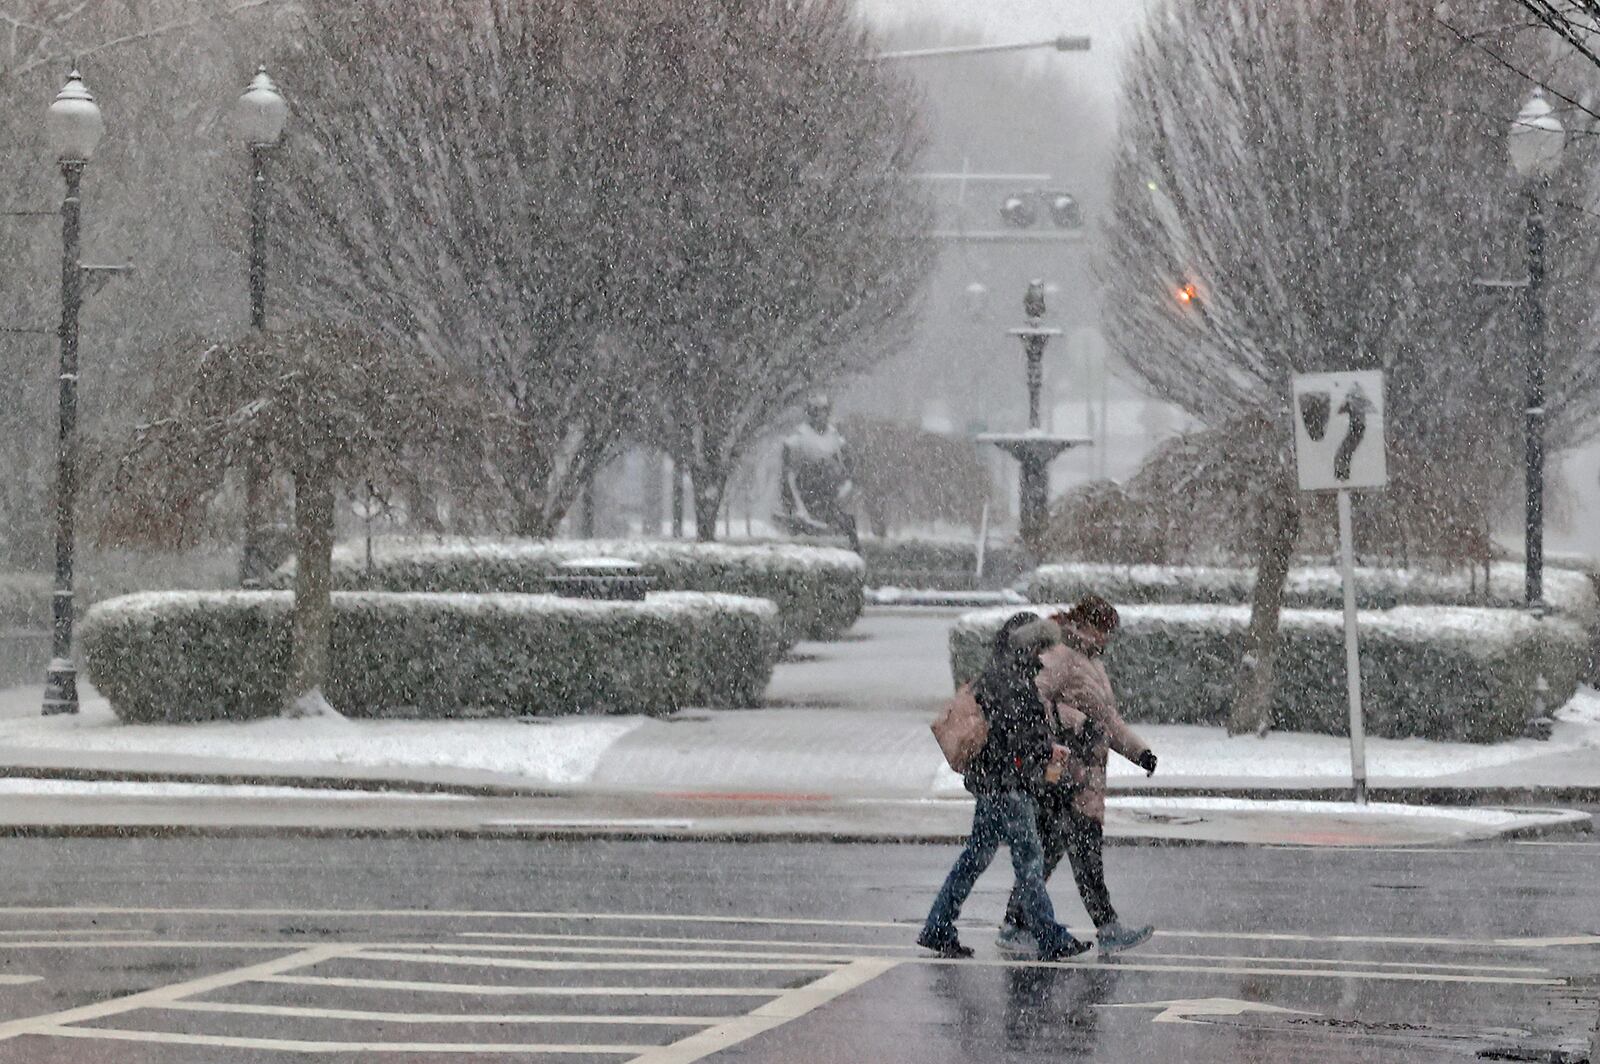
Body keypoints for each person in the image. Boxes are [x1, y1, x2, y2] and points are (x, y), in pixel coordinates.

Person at [918, 612, 1092, 962]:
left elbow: (1006, 734)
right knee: (1029, 861)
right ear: (1025, 645)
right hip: (1008, 786)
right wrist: (1047, 750)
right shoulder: (1012, 681)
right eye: (1039, 647)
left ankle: (938, 926)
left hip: (993, 785)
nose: (1043, 655)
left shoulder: (996, 675)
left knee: (975, 859)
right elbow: (1014, 736)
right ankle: (1049, 936)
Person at [997, 594, 1158, 960]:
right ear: (1086, 625)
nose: (1106, 639)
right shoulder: (1061, 657)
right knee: (1083, 855)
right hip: (1066, 774)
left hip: (1086, 775)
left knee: (1052, 853)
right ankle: (1106, 927)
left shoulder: (1091, 665)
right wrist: (1073, 722)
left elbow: (1108, 722)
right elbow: (1033, 699)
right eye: (1103, 630)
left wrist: (1139, 752)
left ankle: (1016, 922)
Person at [778, 394, 859, 550]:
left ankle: (850, 547)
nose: (821, 416)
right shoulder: (800, 435)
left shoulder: (834, 436)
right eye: (817, 412)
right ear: (811, 413)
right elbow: (788, 466)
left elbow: (846, 462)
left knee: (845, 521)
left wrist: (846, 478)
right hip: (808, 486)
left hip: (830, 489)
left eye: (824, 412)